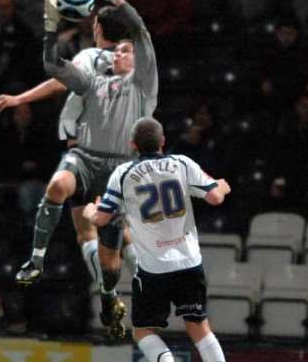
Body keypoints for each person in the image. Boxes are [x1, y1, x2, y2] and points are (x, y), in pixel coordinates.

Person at [15, 0, 158, 339]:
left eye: (128, 51)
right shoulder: (95, 73)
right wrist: (50, 26)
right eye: (120, 49)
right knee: (63, 192)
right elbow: (54, 70)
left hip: (121, 169)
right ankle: (39, 261)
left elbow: (140, 34)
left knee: (108, 251)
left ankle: (115, 292)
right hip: (88, 157)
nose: (122, 54)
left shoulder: (141, 79)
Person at [0, 4, 139, 300]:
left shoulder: (93, 59)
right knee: (112, 232)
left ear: (97, 28)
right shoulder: (137, 65)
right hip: (114, 155)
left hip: (95, 153)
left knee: (92, 231)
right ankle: (125, 286)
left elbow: (59, 81)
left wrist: (20, 98)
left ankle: (111, 287)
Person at [83, 117, 230, 362]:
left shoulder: (124, 174)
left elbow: (102, 219)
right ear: (163, 141)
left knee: (142, 331)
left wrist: (90, 212)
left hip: (153, 269)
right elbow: (215, 197)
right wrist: (223, 186)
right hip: (189, 263)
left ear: (132, 144)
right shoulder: (182, 163)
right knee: (198, 326)